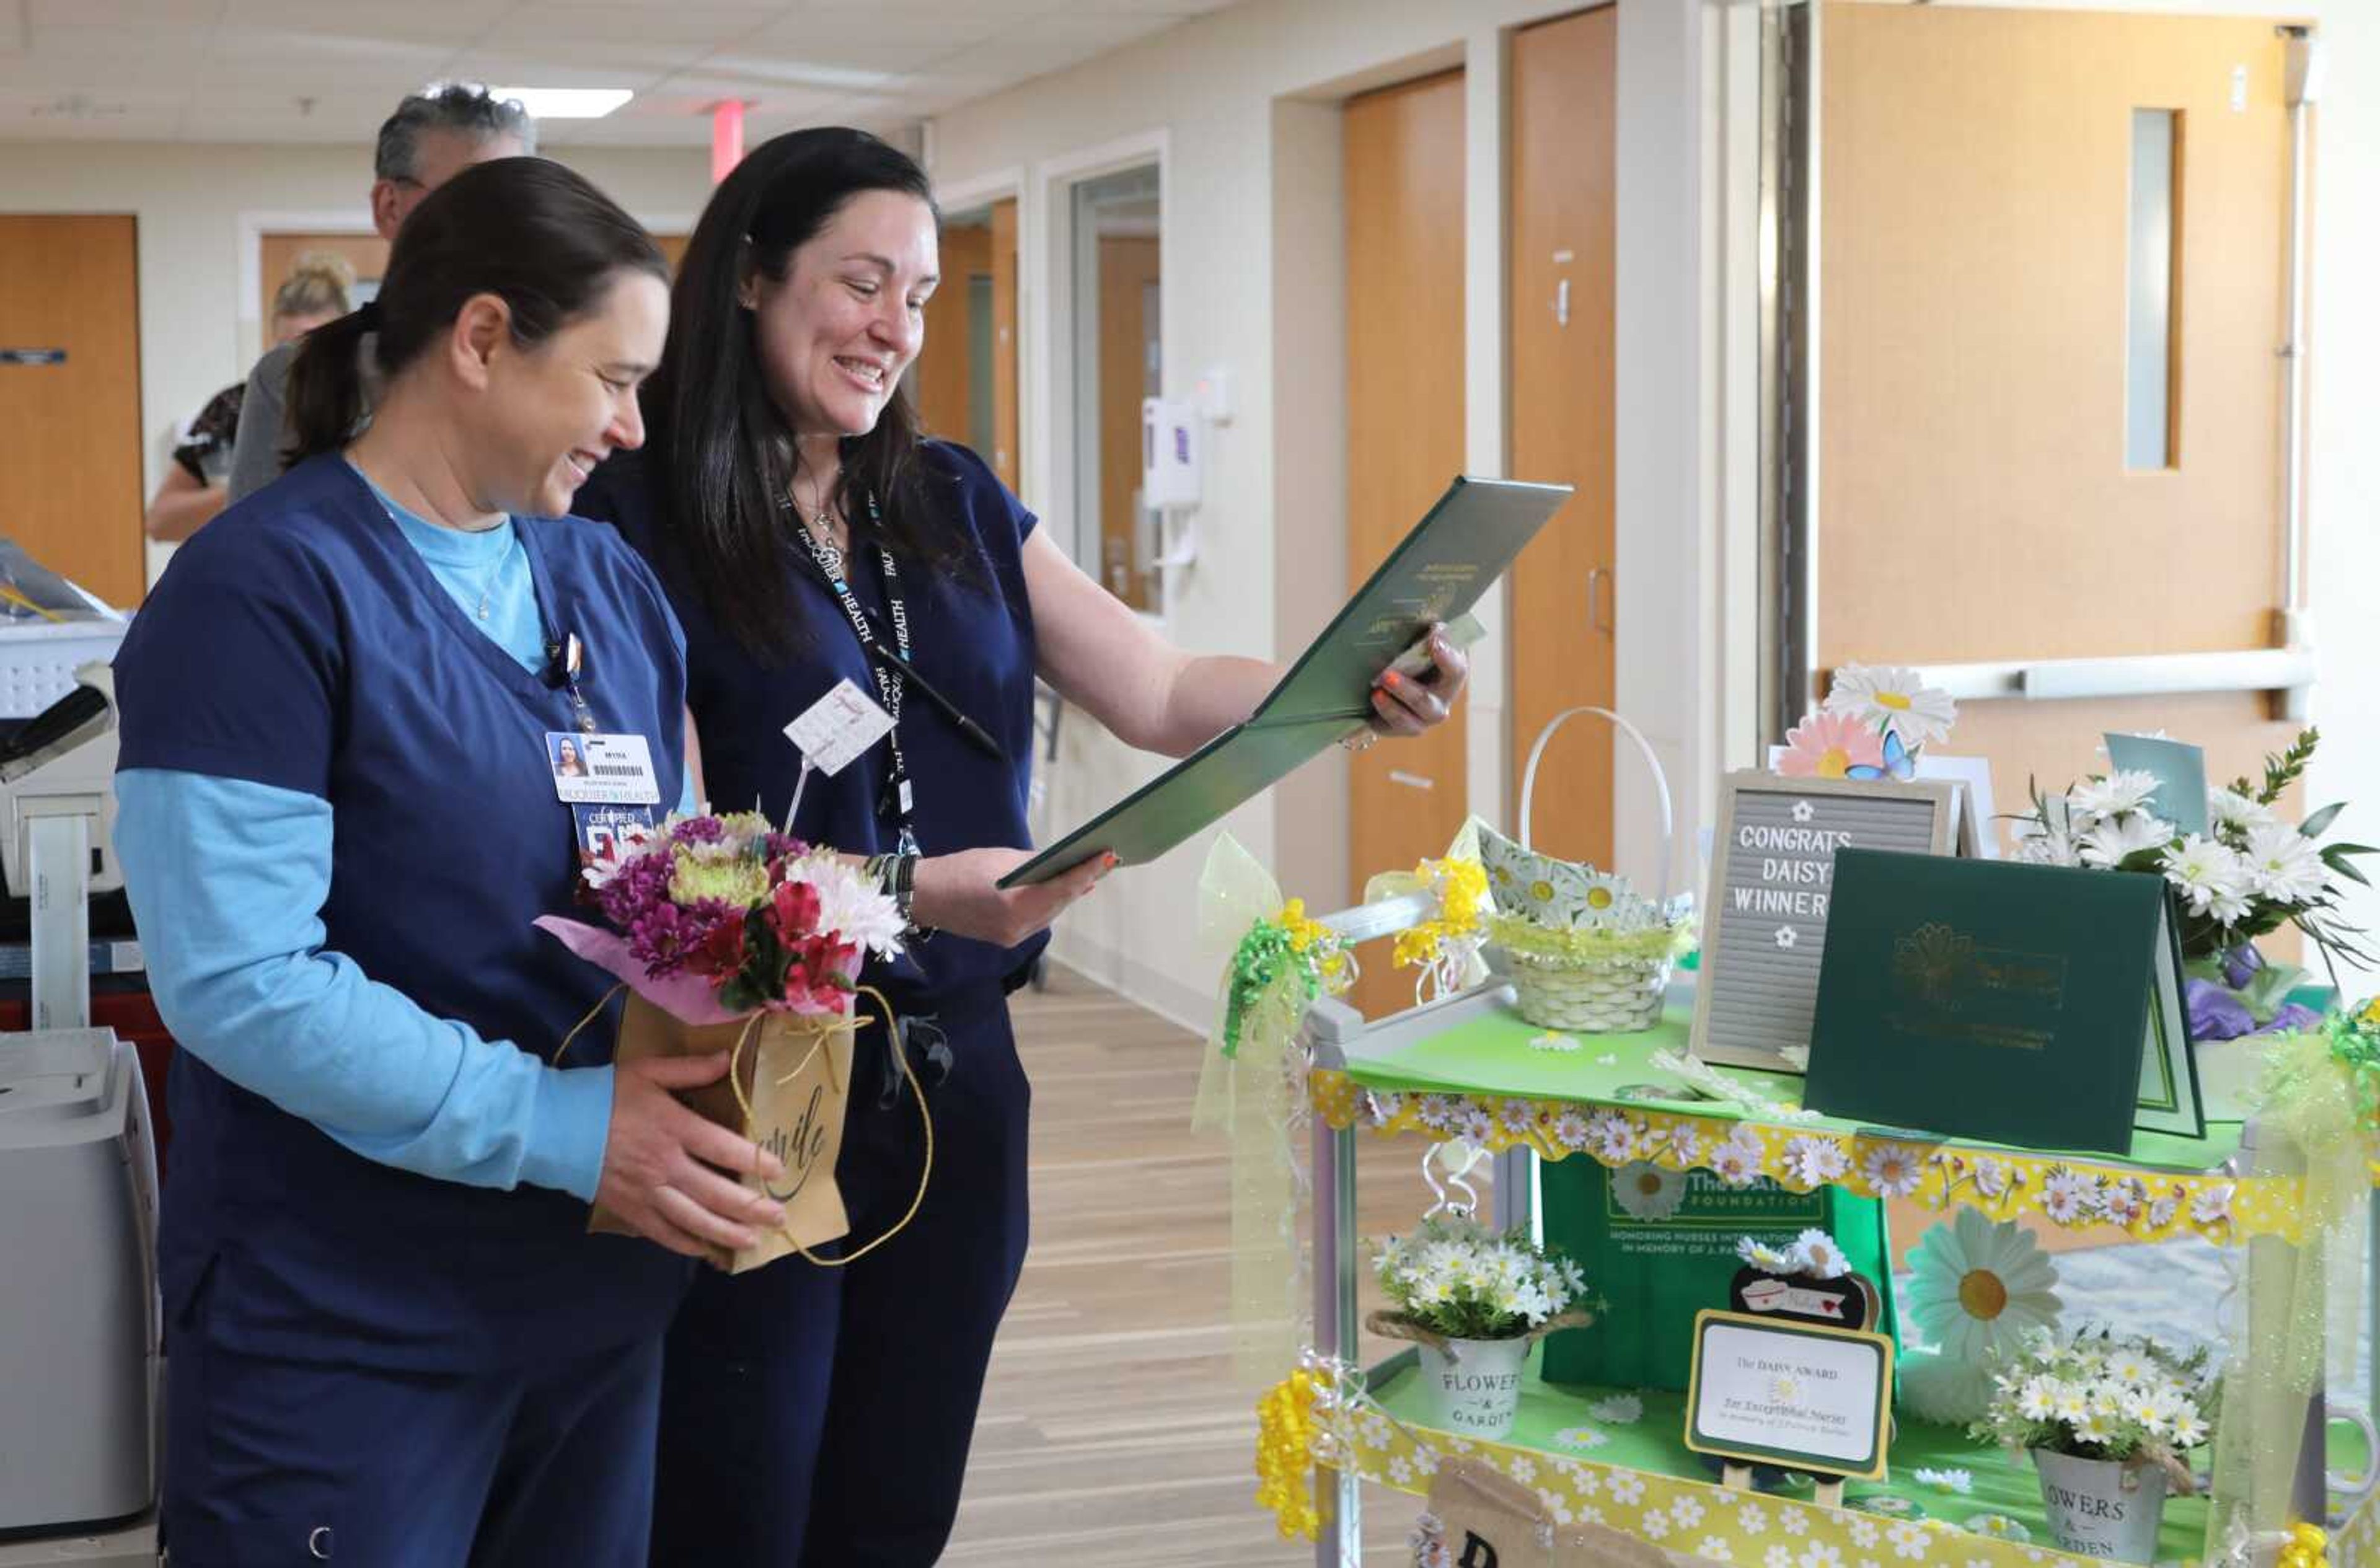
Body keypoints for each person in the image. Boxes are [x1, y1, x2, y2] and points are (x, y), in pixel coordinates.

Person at [573, 126, 1468, 1564]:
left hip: (958, 1083)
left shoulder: (948, 499)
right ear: (748, 275)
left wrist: (1346, 687)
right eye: (860, 282)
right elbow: (664, 868)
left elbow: (1164, 690)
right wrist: (908, 894)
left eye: (917, 296)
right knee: (736, 1505)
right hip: (753, 1084)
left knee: (892, 1502)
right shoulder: (633, 519)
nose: (892, 328)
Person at [112, 157, 788, 1566]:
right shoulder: (259, 595)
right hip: (352, 1318)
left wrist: (776, 978)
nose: (631, 425)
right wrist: (565, 1127)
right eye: (611, 378)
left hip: (592, 1294)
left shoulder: (603, 578)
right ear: (481, 339)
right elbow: (242, 984)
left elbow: (686, 851)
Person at [224, 84, 533, 503]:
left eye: (515, 200)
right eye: (472, 196)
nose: (498, 224)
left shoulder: (553, 370)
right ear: (390, 207)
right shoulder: (297, 379)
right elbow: (251, 555)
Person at [143, 252, 355, 542]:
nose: (298, 362)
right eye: (286, 348)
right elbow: (161, 522)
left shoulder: (373, 410)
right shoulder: (234, 407)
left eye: (314, 345)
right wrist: (250, 485)